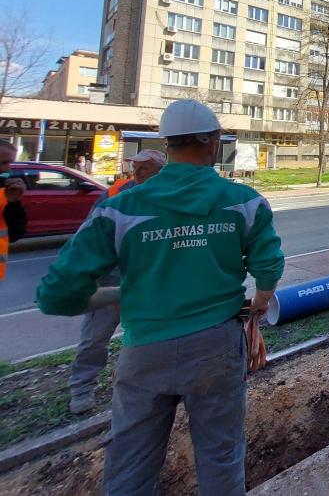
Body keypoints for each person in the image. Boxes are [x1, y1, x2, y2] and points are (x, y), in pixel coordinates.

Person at [36, 100, 284, 494]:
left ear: (167, 144)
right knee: (221, 457)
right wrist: (258, 303)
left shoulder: (119, 209)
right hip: (217, 348)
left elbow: (56, 296)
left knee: (131, 464)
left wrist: (119, 294)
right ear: (213, 142)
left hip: (144, 351)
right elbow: (268, 266)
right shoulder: (243, 201)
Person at [67, 149, 166, 414]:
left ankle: (149, 385)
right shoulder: (116, 193)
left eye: (145, 168)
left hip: (147, 281)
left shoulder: (167, 197)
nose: (137, 172)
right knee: (95, 337)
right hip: (111, 278)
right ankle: (81, 388)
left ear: (160, 171)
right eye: (136, 166)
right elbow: (90, 236)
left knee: (151, 337)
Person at [0, 140, 27, 282]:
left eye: (10, 163)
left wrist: (14, 203)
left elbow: (14, 234)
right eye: (3, 162)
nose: (7, 169)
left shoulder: (5, 193)